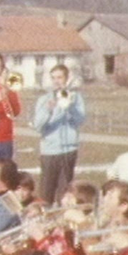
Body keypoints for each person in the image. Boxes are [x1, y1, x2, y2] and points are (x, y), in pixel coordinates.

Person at [33, 64, 86, 205]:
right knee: (46, 192)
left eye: (60, 77)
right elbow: (38, 126)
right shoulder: (43, 100)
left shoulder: (76, 98)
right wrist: (49, 111)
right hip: (49, 151)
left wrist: (70, 107)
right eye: (53, 78)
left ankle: (62, 222)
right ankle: (44, 221)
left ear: (67, 79)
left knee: (65, 193)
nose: (57, 81)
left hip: (68, 150)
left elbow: (80, 120)